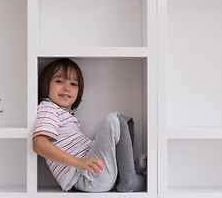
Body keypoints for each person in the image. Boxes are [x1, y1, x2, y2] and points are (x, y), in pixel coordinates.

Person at [33, 58, 146, 192]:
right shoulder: (48, 108)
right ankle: (128, 178)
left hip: (93, 173)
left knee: (126, 123)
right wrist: (78, 162)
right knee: (114, 120)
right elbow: (39, 144)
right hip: (85, 176)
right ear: (45, 84)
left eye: (73, 84)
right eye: (59, 81)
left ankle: (128, 174)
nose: (67, 88)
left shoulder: (66, 115)